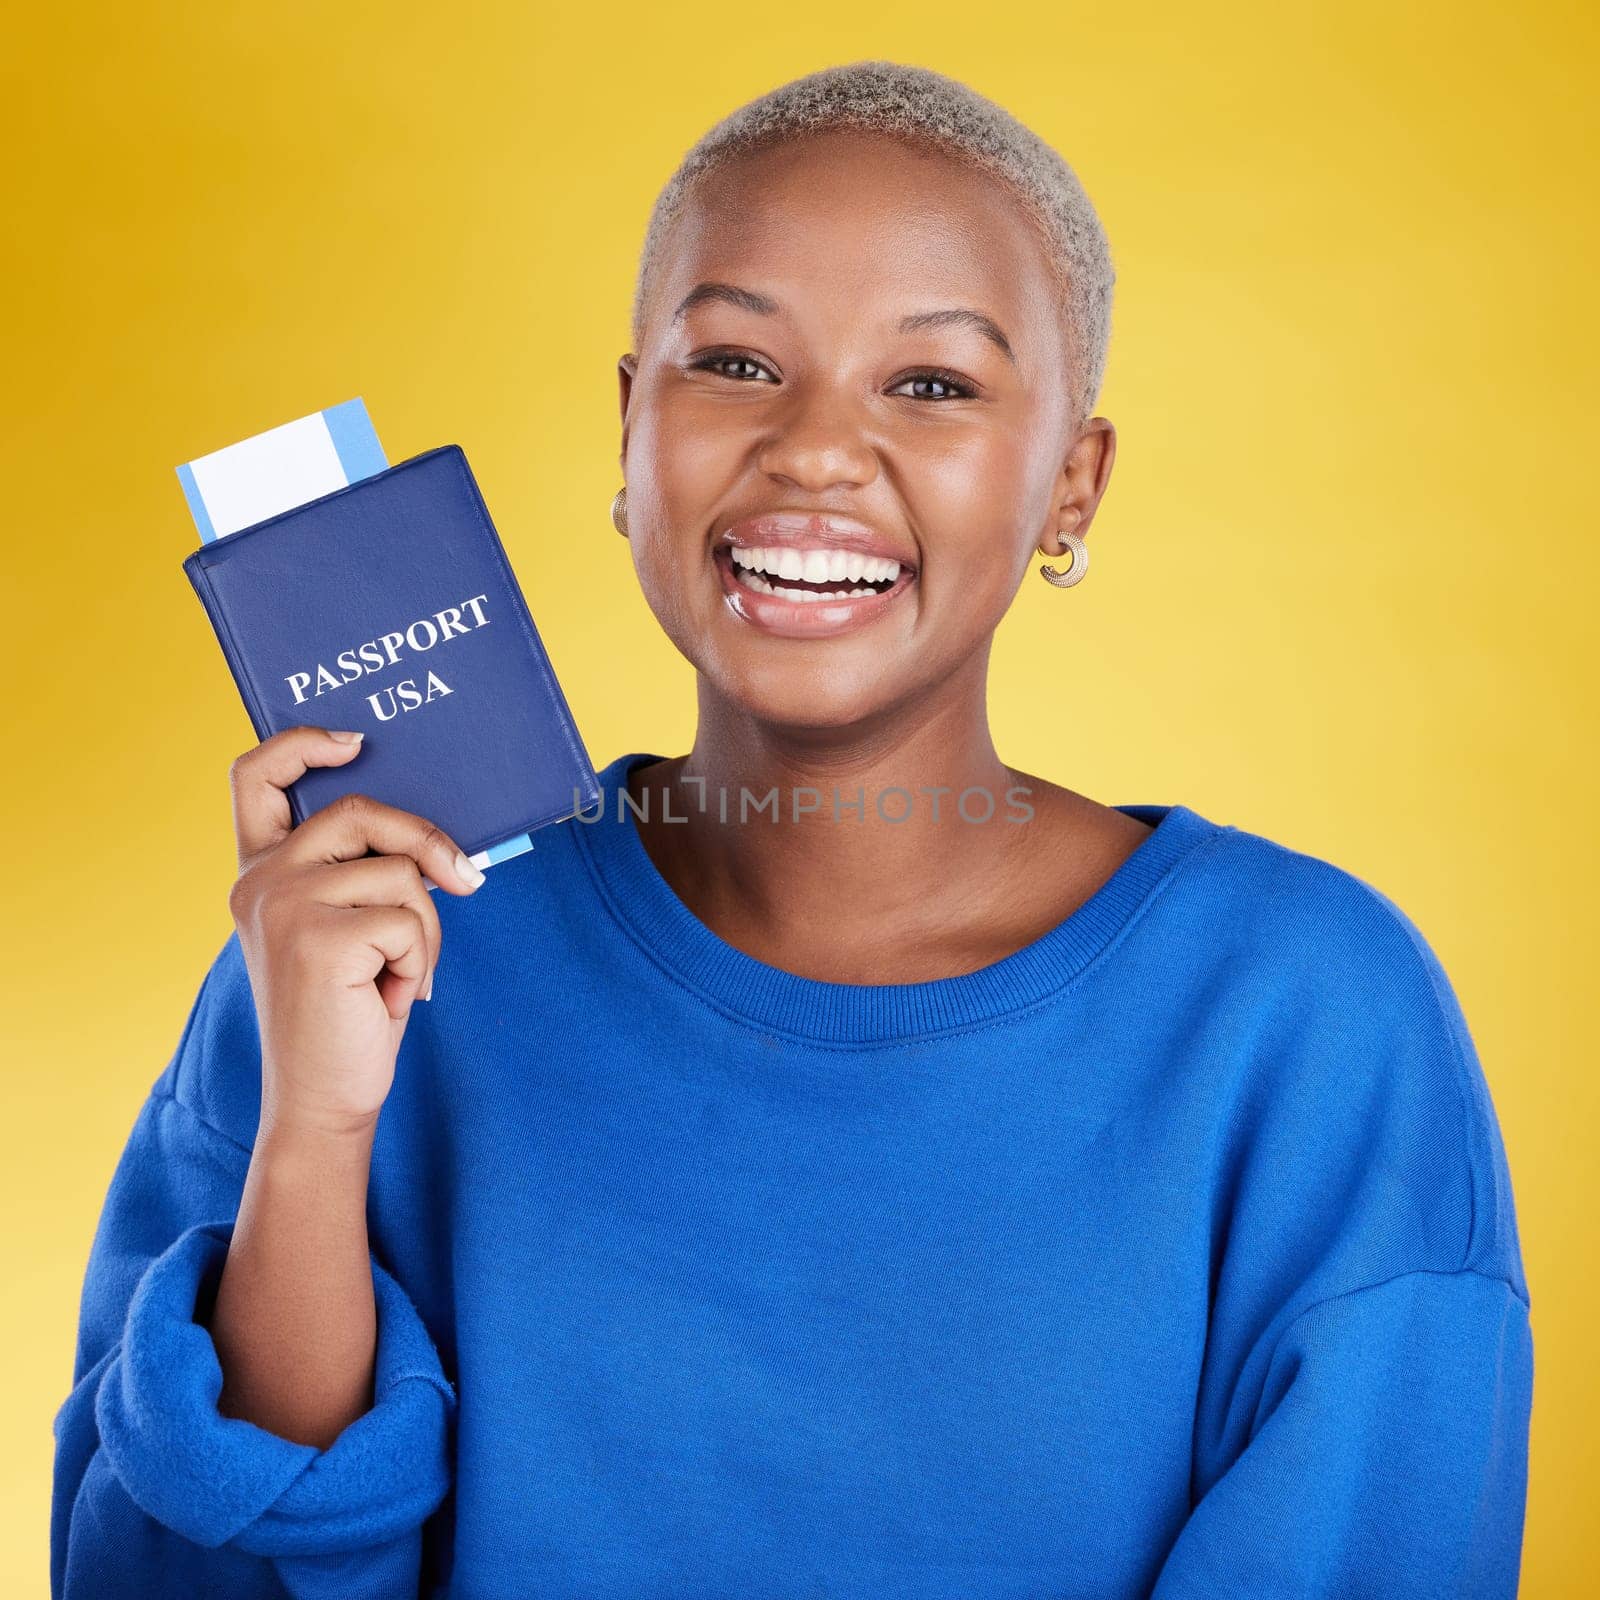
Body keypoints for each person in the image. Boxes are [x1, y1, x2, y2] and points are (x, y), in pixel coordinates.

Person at [51, 59, 1532, 1600]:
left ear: (1070, 488)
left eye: (936, 384)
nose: (817, 450)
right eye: (738, 365)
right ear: (629, 437)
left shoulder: (1307, 1020)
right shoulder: (360, 953)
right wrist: (316, 1139)